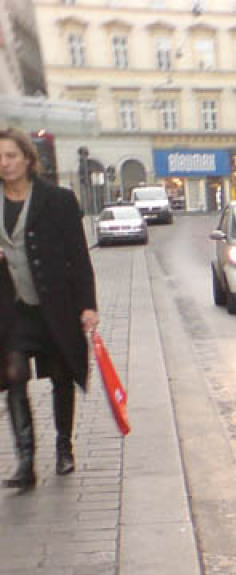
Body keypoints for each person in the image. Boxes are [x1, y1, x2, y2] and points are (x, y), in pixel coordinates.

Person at [0, 128, 100, 492]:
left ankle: (64, 446)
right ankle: (25, 460)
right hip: (12, 310)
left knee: (61, 377)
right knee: (13, 378)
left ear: (27, 159)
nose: (4, 163)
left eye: (11, 155)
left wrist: (88, 305)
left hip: (55, 305)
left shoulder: (57, 199)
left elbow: (79, 255)